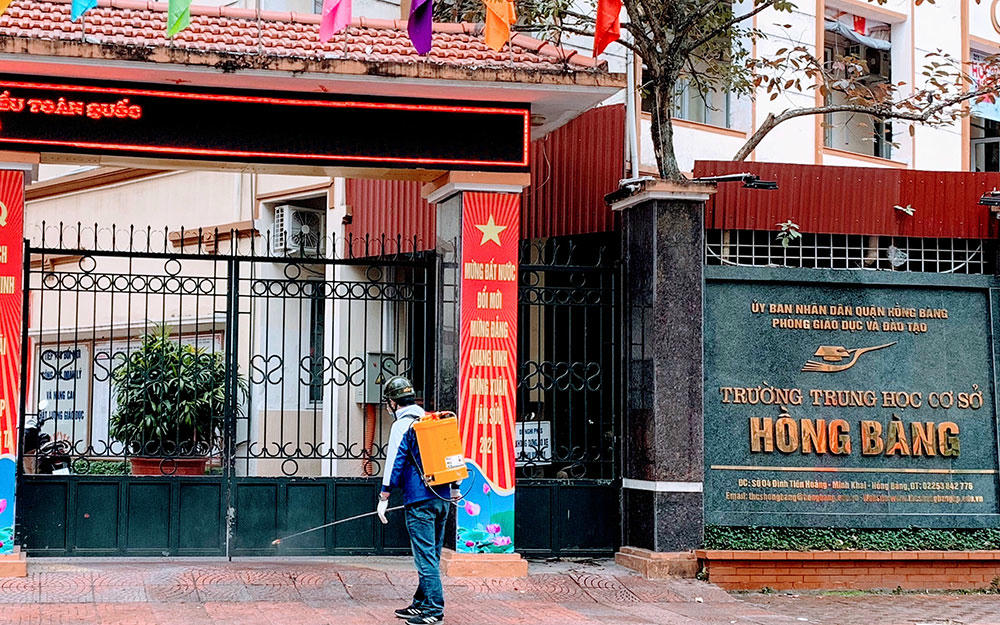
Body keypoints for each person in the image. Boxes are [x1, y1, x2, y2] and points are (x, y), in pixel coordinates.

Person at [377, 375, 458, 625]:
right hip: (442, 498)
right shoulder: (431, 420)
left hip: (419, 500)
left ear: (393, 402)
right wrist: (455, 488)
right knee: (431, 554)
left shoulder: (402, 425)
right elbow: (452, 454)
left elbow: (395, 461)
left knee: (425, 558)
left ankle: (434, 610)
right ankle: (421, 603)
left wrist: (384, 495)